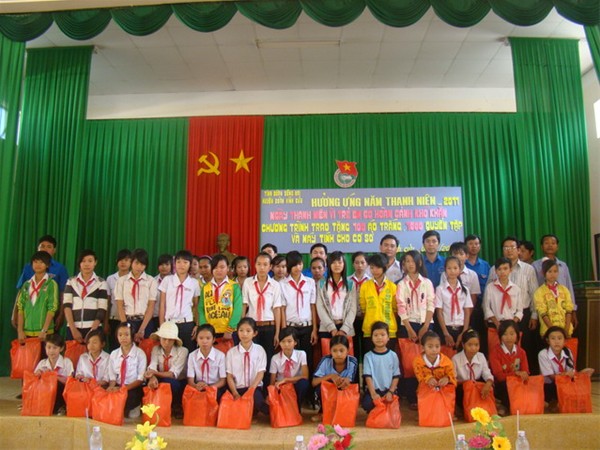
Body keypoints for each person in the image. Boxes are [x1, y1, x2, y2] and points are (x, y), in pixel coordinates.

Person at [487, 237, 539, 371]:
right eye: (506, 248)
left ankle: (522, 377)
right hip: (498, 318)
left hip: (521, 316)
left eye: (512, 247)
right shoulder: (493, 269)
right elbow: (488, 298)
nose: (509, 250)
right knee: (498, 353)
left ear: (519, 250)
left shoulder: (528, 269)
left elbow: (534, 293)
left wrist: (534, 315)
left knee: (522, 350)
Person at [14, 235, 69, 330]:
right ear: (38, 248)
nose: (45, 249)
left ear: (54, 250)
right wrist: (14, 313)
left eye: (49, 247)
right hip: (28, 315)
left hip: (50, 314)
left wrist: (61, 315)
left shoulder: (60, 268)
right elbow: (21, 291)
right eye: (42, 246)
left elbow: (63, 293)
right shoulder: (28, 267)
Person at [242, 252, 283, 372]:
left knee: (268, 358)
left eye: (265, 264)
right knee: (252, 359)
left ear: (270, 267)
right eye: (259, 264)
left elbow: (277, 309)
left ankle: (267, 384)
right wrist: (242, 327)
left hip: (269, 326)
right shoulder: (248, 282)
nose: (262, 267)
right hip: (252, 326)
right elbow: (244, 305)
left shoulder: (275, 285)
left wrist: (277, 333)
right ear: (254, 265)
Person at [538, 326, 594, 409]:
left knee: (578, 383)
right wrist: (565, 375)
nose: (556, 341)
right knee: (553, 388)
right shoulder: (543, 354)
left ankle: (560, 402)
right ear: (548, 341)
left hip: (565, 383)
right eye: (553, 338)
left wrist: (581, 374)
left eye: (560, 338)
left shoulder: (568, 352)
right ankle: (552, 402)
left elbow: (571, 372)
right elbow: (551, 377)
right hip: (549, 386)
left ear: (564, 341)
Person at [280, 251, 318, 372]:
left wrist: (314, 329)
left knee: (308, 358)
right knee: (292, 359)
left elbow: (313, 306)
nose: (298, 267)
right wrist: (284, 330)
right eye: (294, 265)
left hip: (307, 326)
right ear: (289, 266)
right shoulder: (282, 284)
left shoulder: (310, 282)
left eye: (300, 264)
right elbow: (282, 309)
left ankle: (307, 383)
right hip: (290, 327)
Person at [158, 250, 200, 353]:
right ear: (174, 263)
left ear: (190, 264)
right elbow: (162, 304)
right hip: (169, 323)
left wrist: (197, 325)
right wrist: (162, 324)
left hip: (187, 324)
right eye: (178, 262)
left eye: (185, 262)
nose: (181, 265)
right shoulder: (167, 280)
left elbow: (196, 306)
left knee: (188, 352)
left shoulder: (194, 283)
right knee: (170, 353)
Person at [225, 318, 269, 417]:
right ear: (237, 332)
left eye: (248, 331)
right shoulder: (231, 352)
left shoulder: (260, 350)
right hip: (238, 389)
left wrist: (251, 389)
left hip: (254, 388)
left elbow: (260, 373)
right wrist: (235, 393)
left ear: (255, 333)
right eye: (241, 330)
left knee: (258, 402)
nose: (244, 334)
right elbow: (229, 376)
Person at [63, 249, 108, 343]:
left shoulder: (101, 282)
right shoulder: (71, 281)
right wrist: (73, 329)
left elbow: (102, 308)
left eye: (90, 261)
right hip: (73, 328)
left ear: (95, 262)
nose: (87, 264)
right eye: (83, 261)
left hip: (94, 328)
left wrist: (92, 330)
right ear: (79, 263)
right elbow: (67, 306)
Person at [532, 235, 577, 328]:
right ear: (541, 246)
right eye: (546, 243)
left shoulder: (563, 266)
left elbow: (569, 287)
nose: (550, 245)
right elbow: (534, 290)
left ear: (557, 246)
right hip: (544, 310)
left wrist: (573, 311)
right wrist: (534, 315)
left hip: (563, 311)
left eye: (553, 243)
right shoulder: (535, 265)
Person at [145, 321, 189, 415]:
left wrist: (154, 373)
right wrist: (152, 377)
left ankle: (175, 405)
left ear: (174, 341)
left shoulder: (183, 351)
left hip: (178, 383)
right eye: (164, 339)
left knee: (170, 383)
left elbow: (173, 374)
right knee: (147, 381)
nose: (167, 342)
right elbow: (152, 365)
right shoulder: (156, 349)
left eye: (170, 340)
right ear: (159, 338)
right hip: (161, 378)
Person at [311, 334, 358, 422]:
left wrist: (346, 381)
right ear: (330, 351)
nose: (338, 354)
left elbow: (351, 380)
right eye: (335, 351)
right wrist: (331, 376)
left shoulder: (353, 361)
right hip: (329, 391)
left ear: (348, 350)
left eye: (341, 350)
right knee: (319, 388)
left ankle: (343, 412)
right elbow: (314, 382)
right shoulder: (325, 360)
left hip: (343, 389)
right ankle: (322, 412)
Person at [199, 254, 243, 345]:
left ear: (228, 268)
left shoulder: (234, 286)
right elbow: (201, 308)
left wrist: (230, 329)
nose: (219, 270)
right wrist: (205, 328)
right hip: (210, 332)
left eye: (222, 267)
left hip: (229, 331)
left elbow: (238, 308)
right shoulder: (205, 287)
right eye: (215, 267)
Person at [115, 248, 158, 342]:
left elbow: (151, 306)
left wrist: (142, 330)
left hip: (145, 322)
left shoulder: (151, 281)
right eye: (136, 263)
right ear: (131, 262)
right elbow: (120, 305)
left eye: (142, 264)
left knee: (145, 348)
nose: (139, 267)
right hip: (128, 320)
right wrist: (125, 326)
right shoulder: (121, 281)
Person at [16, 250, 59, 343]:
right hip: (26, 333)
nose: (38, 265)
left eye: (41, 262)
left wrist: (44, 330)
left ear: (47, 265)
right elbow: (20, 308)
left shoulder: (51, 284)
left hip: (45, 334)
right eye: (35, 262)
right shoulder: (26, 284)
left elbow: (52, 308)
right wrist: (20, 331)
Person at [107, 322, 147, 419]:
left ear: (132, 336)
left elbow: (140, 379)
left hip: (133, 387)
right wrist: (111, 388)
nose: (123, 338)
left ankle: (134, 406)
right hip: (118, 385)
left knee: (130, 400)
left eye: (126, 334)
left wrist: (123, 389)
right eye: (120, 335)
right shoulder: (113, 354)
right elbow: (112, 376)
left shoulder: (140, 354)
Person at [489, 320, 529, 415]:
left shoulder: (521, 352)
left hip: (517, 384)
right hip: (501, 385)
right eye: (505, 334)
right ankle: (504, 405)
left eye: (512, 334)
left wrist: (523, 374)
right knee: (504, 386)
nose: (509, 337)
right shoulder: (495, 352)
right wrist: (516, 373)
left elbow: (526, 371)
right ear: (500, 336)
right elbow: (499, 376)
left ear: (517, 335)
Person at [360, 253, 398, 353]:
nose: (374, 270)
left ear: (384, 267)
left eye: (377, 267)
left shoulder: (392, 287)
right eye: (372, 268)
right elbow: (363, 309)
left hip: (389, 330)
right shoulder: (365, 286)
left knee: (388, 358)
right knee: (370, 357)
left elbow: (395, 309)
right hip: (369, 330)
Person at [451, 329, 494, 418]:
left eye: (476, 345)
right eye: (470, 345)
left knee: (489, 388)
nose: (473, 348)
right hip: (462, 390)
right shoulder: (455, 359)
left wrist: (488, 384)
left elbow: (487, 374)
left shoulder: (481, 356)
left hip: (477, 387)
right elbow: (453, 379)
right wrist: (468, 385)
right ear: (463, 345)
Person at [316, 251, 357, 340]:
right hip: (326, 328)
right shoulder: (321, 284)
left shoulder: (351, 284)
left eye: (339, 262)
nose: (337, 265)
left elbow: (353, 308)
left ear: (344, 264)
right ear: (329, 265)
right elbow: (320, 307)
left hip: (346, 329)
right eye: (333, 262)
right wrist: (331, 328)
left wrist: (344, 329)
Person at [397, 250, 435, 343]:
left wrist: (426, 326)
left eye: (413, 261)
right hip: (407, 324)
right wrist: (409, 329)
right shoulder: (401, 284)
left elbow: (431, 304)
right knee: (409, 351)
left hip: (426, 322)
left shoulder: (427, 282)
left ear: (420, 263)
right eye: (408, 261)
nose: (410, 264)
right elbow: (401, 307)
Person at [362, 321, 400, 413]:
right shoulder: (368, 356)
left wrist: (391, 392)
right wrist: (373, 394)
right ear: (371, 338)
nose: (379, 338)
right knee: (367, 403)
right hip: (374, 390)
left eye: (382, 335)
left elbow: (396, 376)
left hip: (389, 390)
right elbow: (368, 377)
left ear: (388, 337)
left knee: (393, 404)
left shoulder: (393, 355)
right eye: (376, 335)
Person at [435, 256, 473, 348]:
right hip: (446, 328)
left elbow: (467, 312)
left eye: (455, 268)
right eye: (449, 268)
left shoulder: (465, 290)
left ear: (460, 270)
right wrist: (446, 334)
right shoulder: (440, 289)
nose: (452, 271)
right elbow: (439, 312)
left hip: (461, 328)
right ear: (445, 270)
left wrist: (464, 332)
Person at [269, 327, 309, 411]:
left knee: (304, 383)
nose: (286, 344)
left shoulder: (301, 354)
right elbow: (272, 382)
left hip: (295, 384)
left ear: (295, 342)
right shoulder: (275, 358)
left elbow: (305, 376)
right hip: (281, 386)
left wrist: (286, 380)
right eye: (283, 341)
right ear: (279, 343)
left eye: (289, 341)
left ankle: (297, 406)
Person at [33, 333, 74, 415]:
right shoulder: (42, 363)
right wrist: (38, 374)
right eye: (48, 347)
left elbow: (70, 382)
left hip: (61, 393)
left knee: (56, 383)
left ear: (61, 348)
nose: (51, 351)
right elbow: (34, 381)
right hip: (46, 395)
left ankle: (61, 407)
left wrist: (53, 376)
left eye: (55, 348)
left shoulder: (67, 362)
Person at [534, 259, 574, 338]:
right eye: (549, 271)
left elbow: (569, 310)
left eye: (555, 271)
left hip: (565, 330)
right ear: (543, 273)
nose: (553, 274)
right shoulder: (539, 292)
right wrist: (553, 330)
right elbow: (542, 312)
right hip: (548, 330)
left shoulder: (564, 290)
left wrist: (566, 329)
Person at [187, 323, 227, 400]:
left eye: (208, 338)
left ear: (213, 339)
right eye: (201, 338)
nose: (204, 341)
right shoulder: (192, 355)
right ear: (196, 339)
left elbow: (223, 381)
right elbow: (190, 379)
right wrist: (196, 386)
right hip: (198, 386)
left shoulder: (220, 356)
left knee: (214, 396)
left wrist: (209, 387)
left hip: (214, 387)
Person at [464, 235, 490, 352]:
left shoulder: (485, 265)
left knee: (481, 336)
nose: (473, 246)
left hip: (481, 306)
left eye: (476, 244)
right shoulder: (461, 265)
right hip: (465, 306)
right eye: (470, 244)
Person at [483, 257, 522, 328]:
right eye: (499, 269)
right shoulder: (490, 287)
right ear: (495, 271)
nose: (502, 272)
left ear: (510, 270)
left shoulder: (516, 289)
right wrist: (497, 323)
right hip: (495, 324)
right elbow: (487, 308)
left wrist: (512, 324)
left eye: (505, 268)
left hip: (511, 324)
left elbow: (519, 310)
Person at [105, 249, 132, 350]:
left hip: (129, 319)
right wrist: (106, 322)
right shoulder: (110, 279)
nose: (123, 262)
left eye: (126, 260)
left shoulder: (133, 279)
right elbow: (108, 302)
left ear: (131, 262)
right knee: (114, 348)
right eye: (120, 260)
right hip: (114, 319)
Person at [440, 242, 480, 306]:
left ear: (467, 256)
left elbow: (473, 296)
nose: (458, 256)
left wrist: (468, 311)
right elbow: (442, 294)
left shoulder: (472, 275)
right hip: (448, 309)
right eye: (455, 254)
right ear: (450, 256)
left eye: (461, 254)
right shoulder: (444, 274)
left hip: (467, 309)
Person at [349, 251, 370, 361]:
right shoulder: (348, 281)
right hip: (351, 320)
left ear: (367, 264)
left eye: (362, 262)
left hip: (367, 319)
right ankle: (355, 371)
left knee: (367, 348)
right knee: (354, 349)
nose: (360, 265)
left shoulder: (371, 281)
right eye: (357, 263)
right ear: (353, 264)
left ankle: (367, 371)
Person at [154, 254, 173, 331]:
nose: (164, 267)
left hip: (170, 318)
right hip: (155, 317)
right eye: (161, 264)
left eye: (167, 264)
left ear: (172, 266)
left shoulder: (176, 281)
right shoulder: (153, 281)